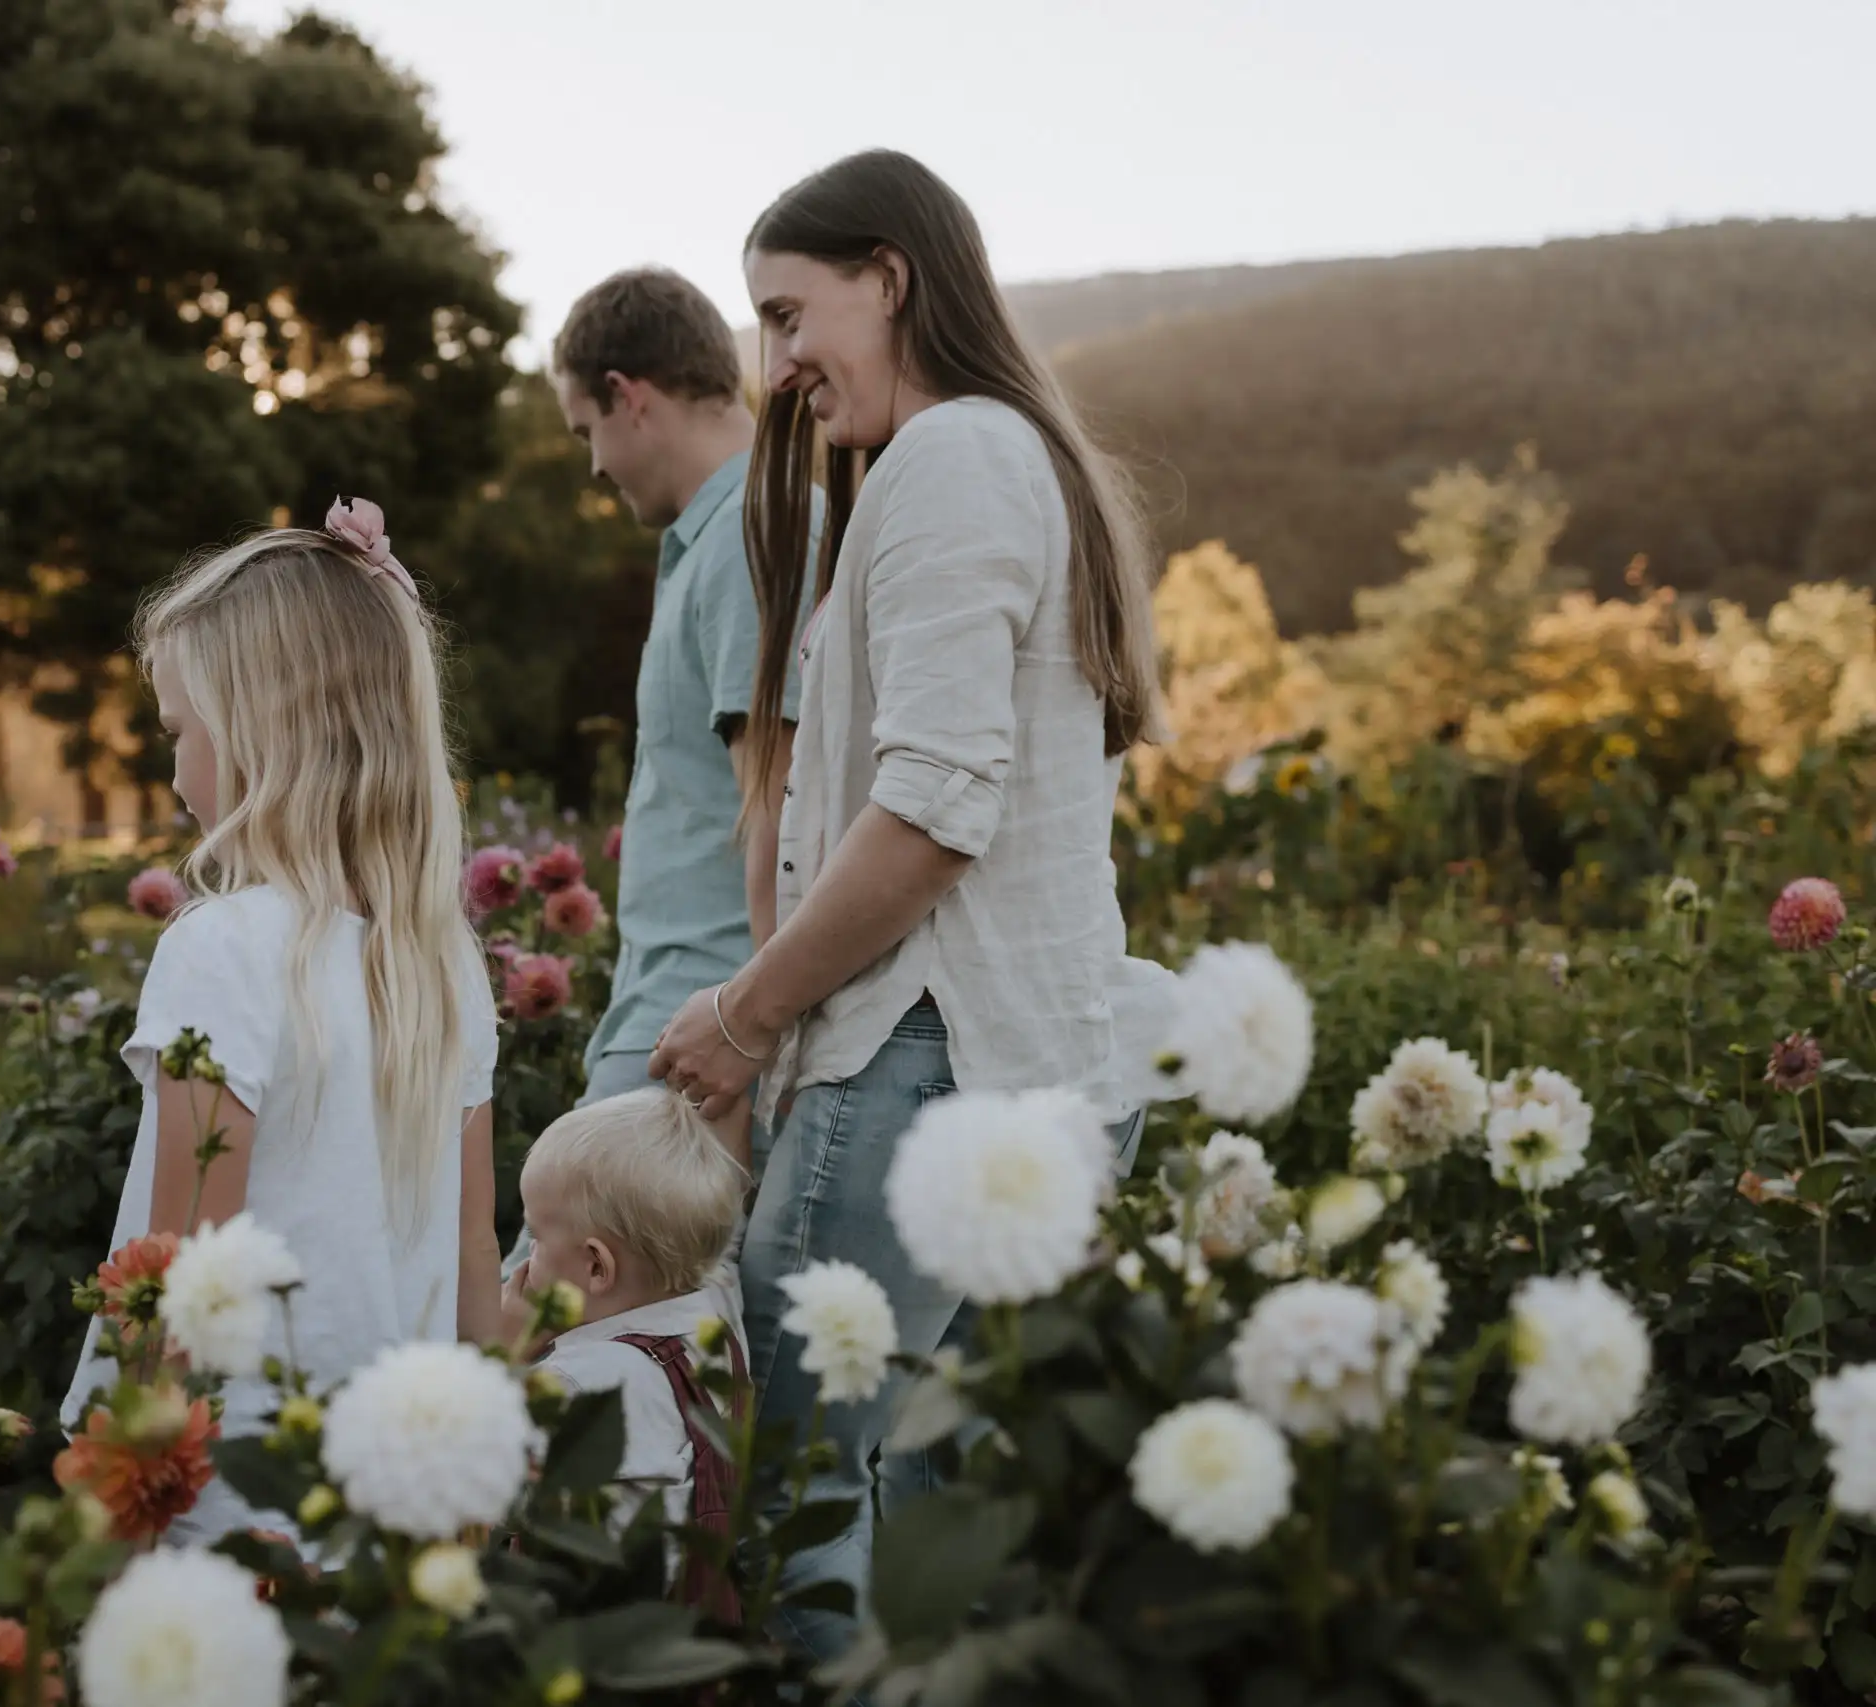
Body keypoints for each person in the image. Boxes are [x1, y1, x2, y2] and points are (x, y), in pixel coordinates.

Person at [646, 150, 1175, 1653]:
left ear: (891, 274)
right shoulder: (991, 460)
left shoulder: (952, 460)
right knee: (942, 1522)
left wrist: (749, 1015)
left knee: (803, 1488)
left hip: (922, 1059)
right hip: (1010, 1061)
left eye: (790, 312)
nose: (779, 361)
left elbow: (936, 808)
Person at [61, 499, 503, 1543]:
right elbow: (474, 1255)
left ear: (261, 727)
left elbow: (183, 1270)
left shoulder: (219, 950)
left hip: (230, 1492)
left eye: (178, 732)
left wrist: (118, 1495)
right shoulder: (441, 965)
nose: (172, 777)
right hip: (401, 1500)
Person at [550, 269, 814, 1139]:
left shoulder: (752, 531)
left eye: (587, 429)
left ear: (630, 397)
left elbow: (778, 805)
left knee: (551, 1275)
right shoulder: (719, 535)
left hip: (704, 1025)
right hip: (678, 1012)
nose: (592, 463)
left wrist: (755, 1031)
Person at [506, 1086, 749, 1618]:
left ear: (596, 1267)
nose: (526, 1260)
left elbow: (488, 1480)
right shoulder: (717, 1316)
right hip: (690, 1630)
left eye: (533, 1237)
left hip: (581, 1639)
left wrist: (509, 1355)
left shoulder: (582, 1382)